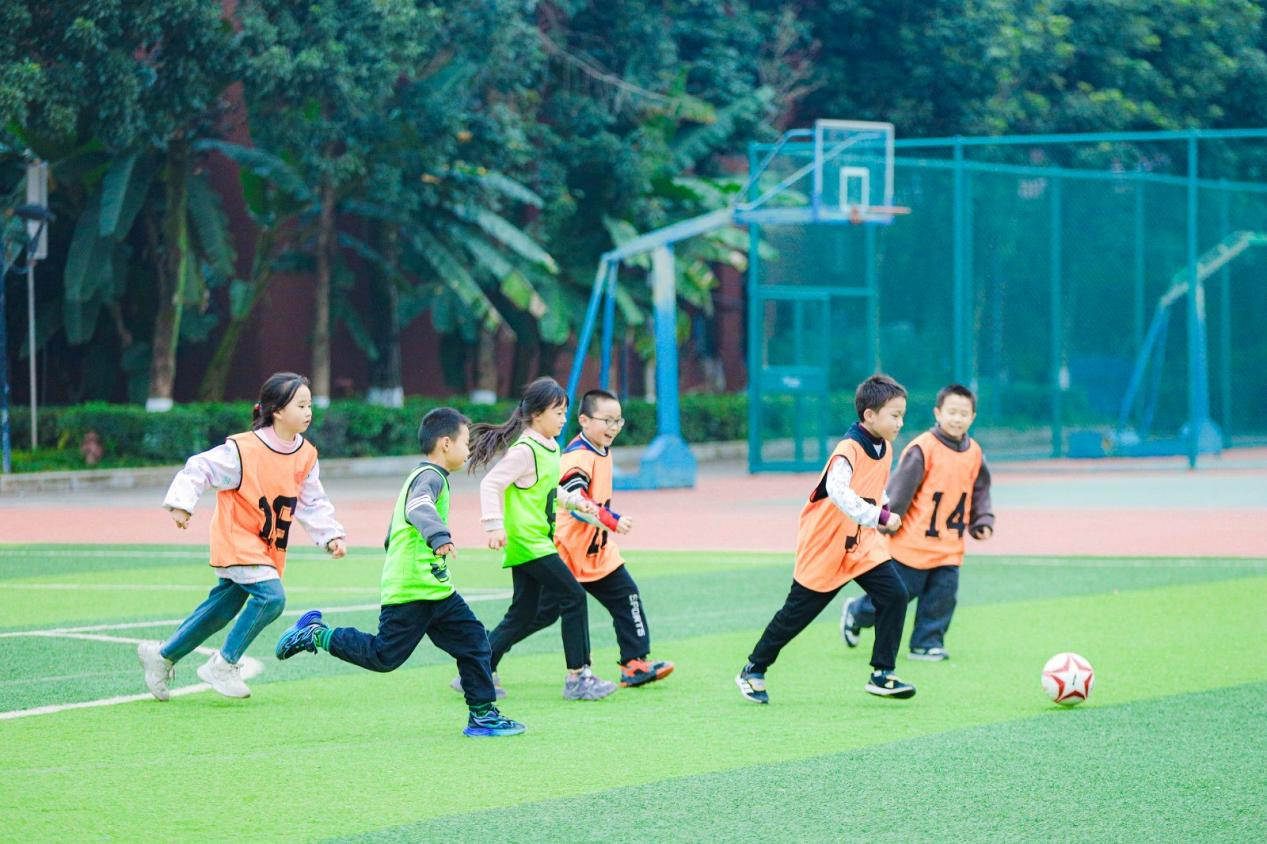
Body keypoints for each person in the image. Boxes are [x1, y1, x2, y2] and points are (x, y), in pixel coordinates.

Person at [275, 408, 525, 737]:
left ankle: (482, 715)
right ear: (445, 444)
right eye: (465, 443)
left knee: (475, 641)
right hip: (411, 589)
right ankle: (316, 634)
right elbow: (417, 508)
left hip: (435, 590)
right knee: (384, 656)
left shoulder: (428, 476)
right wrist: (439, 537)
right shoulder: (430, 477)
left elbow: (394, 531)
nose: (468, 450)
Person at [137, 372, 347, 701]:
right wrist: (181, 504)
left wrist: (330, 535)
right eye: (301, 405)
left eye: (309, 405)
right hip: (237, 538)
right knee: (272, 598)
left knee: (221, 609)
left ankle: (162, 657)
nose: (308, 412)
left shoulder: (306, 454)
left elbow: (312, 501)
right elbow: (200, 467)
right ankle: (225, 663)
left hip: (266, 545)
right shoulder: (244, 449)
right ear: (277, 411)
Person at [736, 375, 916, 704]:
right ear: (869, 415)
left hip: (860, 544)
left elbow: (875, 487)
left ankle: (882, 674)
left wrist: (885, 508)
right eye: (895, 415)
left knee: (895, 594)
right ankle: (753, 669)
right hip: (826, 546)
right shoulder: (848, 449)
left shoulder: (886, 447)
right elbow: (838, 491)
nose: (900, 422)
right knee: (796, 615)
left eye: (902, 415)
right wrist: (878, 517)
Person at [459, 376, 615, 701]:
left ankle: (477, 669)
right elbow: (491, 484)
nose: (563, 419)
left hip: (535, 542)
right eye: (558, 413)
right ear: (536, 414)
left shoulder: (550, 447)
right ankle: (578, 677)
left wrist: (575, 501)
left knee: (524, 613)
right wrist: (493, 526)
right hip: (529, 542)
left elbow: (548, 488)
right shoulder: (525, 450)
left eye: (564, 412)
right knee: (574, 596)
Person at [841, 384, 994, 661]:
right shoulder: (923, 448)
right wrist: (886, 519)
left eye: (963, 414)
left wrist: (981, 520)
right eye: (951, 412)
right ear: (938, 413)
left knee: (942, 596)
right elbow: (901, 489)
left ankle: (926, 642)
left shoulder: (975, 453)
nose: (957, 419)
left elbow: (980, 490)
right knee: (894, 596)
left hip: (949, 546)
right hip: (911, 545)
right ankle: (857, 612)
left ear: (972, 417)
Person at [551, 389, 673, 687]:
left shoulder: (601, 448)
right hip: (569, 553)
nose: (613, 427)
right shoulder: (578, 456)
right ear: (584, 420)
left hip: (598, 553)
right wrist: (611, 520)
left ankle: (634, 664)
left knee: (627, 596)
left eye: (618, 421)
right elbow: (577, 501)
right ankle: (485, 659)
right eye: (607, 421)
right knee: (534, 616)